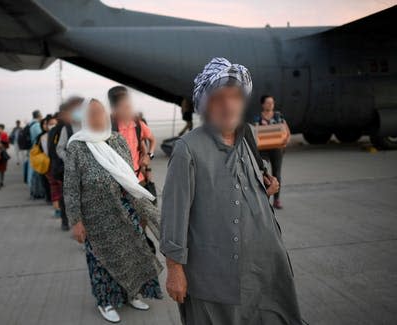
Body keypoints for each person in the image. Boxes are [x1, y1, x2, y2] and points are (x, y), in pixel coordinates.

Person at [160, 58, 302, 325]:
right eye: (218, 98)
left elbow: (240, 185)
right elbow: (173, 214)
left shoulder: (247, 134)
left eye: (235, 96)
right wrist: (174, 270)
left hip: (263, 270)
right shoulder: (187, 149)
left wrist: (266, 186)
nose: (228, 104)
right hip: (212, 277)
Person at [64, 99, 163, 323]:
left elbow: (128, 178)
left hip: (124, 209)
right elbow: (70, 187)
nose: (97, 118)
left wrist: (141, 209)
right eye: (92, 114)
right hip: (94, 216)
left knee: (133, 253)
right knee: (101, 261)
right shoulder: (77, 146)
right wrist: (76, 221)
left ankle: (132, 293)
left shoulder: (117, 140)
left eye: (100, 113)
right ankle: (105, 301)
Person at [108, 86, 156, 184]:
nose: (128, 109)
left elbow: (151, 140)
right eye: (124, 106)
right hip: (118, 181)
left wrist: (149, 157)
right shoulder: (109, 128)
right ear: (114, 109)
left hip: (138, 178)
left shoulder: (138, 125)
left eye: (129, 105)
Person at [51, 96, 84, 230]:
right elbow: (59, 148)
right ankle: (66, 221)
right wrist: (69, 159)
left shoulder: (89, 126)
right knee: (69, 196)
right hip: (70, 169)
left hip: (86, 170)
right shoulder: (67, 128)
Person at [254, 95, 291, 209]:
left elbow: (286, 130)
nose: (270, 105)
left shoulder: (278, 116)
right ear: (263, 104)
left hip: (277, 149)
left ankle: (277, 200)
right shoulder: (257, 118)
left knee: (277, 173)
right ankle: (263, 198)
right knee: (262, 173)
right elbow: (255, 133)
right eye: (268, 103)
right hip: (262, 149)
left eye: (272, 103)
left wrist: (286, 141)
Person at [28, 110, 45, 199]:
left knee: (33, 172)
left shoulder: (30, 125)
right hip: (37, 150)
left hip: (32, 149)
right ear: (38, 116)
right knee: (37, 172)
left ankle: (33, 191)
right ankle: (36, 192)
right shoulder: (37, 125)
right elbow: (40, 137)